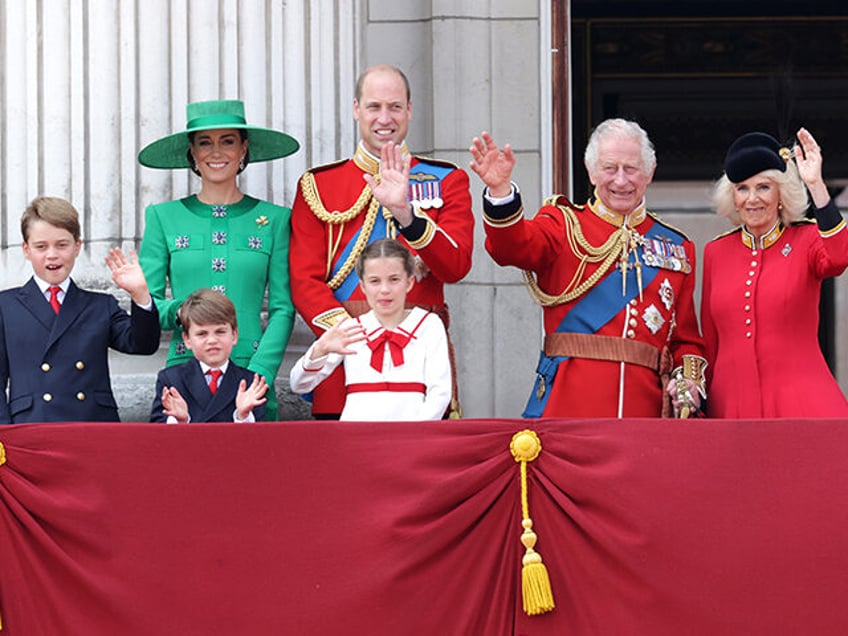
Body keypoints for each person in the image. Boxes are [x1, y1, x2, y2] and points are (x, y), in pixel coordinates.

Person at [469, 119, 706, 418]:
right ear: (591, 171)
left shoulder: (676, 247)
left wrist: (688, 380)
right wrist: (501, 192)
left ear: (649, 173)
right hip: (569, 408)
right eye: (610, 168)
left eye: (631, 169)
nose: (621, 181)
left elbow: (686, 341)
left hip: (643, 413)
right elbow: (511, 248)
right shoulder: (562, 224)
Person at [289, 64, 473, 419]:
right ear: (356, 109)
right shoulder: (319, 186)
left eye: (395, 106)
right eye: (374, 107)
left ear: (410, 110)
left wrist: (408, 216)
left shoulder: (447, 180)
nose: (384, 118)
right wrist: (353, 338)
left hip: (420, 361)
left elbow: (456, 265)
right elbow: (303, 280)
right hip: (346, 365)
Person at [137, 99, 299, 421]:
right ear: (192, 152)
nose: (216, 152)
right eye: (205, 143)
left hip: (252, 379)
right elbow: (147, 304)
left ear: (244, 148)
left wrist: (259, 372)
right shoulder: (162, 217)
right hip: (185, 374)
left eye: (228, 141)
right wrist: (181, 310)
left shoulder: (276, 219)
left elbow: (283, 308)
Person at [701, 128, 848, 418]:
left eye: (763, 187)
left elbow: (839, 257)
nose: (752, 198)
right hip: (732, 409)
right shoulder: (715, 253)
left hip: (802, 404)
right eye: (742, 188)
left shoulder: (805, 240)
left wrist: (815, 183)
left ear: (781, 193)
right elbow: (710, 343)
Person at [0, 196, 160, 423]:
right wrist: (4, 436)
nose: (52, 254)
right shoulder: (6, 306)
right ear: (26, 250)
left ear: (77, 247)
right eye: (41, 246)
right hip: (32, 427)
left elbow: (143, 345)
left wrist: (140, 295)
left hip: (91, 425)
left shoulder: (100, 305)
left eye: (62, 245)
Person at [289, 239, 451, 421]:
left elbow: (440, 392)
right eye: (375, 281)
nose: (384, 290)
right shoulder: (350, 328)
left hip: (412, 438)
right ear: (363, 286)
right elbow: (299, 384)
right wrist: (320, 349)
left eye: (394, 280)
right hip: (356, 438)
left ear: (409, 282)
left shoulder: (429, 325)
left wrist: (414, 434)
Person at [150, 288, 268, 423]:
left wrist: (243, 416)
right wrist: (181, 421)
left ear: (234, 335)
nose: (212, 340)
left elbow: (260, 440)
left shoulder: (251, 383)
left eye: (220, 331)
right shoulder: (171, 380)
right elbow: (157, 436)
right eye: (202, 334)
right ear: (187, 339)